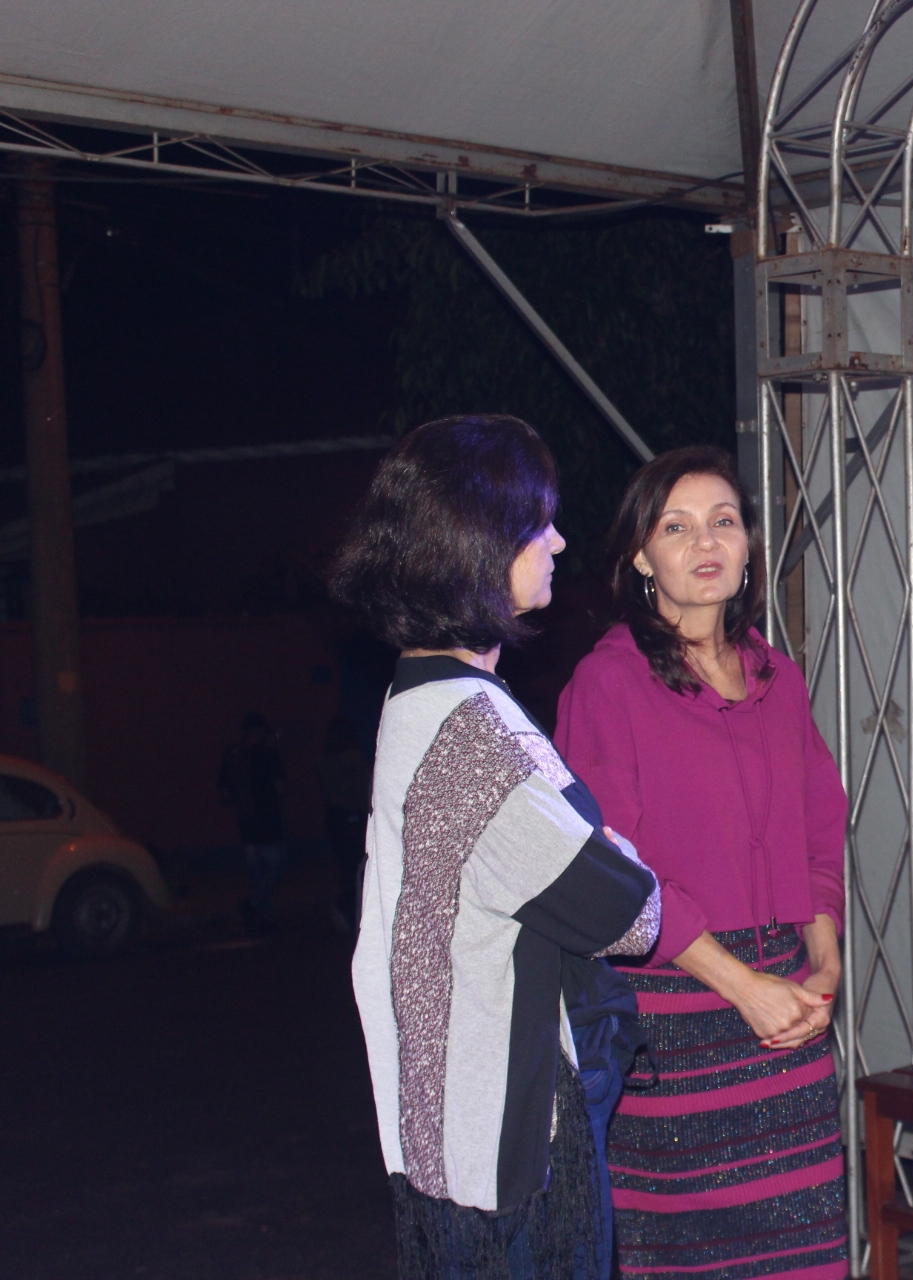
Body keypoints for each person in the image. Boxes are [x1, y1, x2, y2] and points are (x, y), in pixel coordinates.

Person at [331, 414, 662, 1280]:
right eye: (537, 523)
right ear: (477, 544)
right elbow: (627, 911)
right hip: (510, 1149)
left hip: (451, 1128)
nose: (557, 540)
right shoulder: (473, 735)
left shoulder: (419, 697)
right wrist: (614, 848)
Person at [553, 445, 849, 1280]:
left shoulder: (776, 676)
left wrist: (824, 959)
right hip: (675, 1017)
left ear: (750, 543)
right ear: (642, 557)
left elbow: (819, 828)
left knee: (804, 1256)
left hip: (788, 1012)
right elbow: (611, 872)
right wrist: (743, 987)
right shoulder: (607, 684)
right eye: (676, 527)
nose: (706, 541)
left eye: (723, 521)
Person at [218, 710, 285, 932]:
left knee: (257, 872)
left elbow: (224, 790)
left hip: (246, 821)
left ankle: (263, 914)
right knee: (275, 869)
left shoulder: (233, 754)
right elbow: (280, 787)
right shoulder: (268, 754)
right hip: (268, 820)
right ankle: (254, 904)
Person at [318, 715, 372, 933]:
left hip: (334, 817)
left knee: (345, 867)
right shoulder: (354, 759)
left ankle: (346, 910)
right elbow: (364, 790)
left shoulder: (324, 760)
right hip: (354, 817)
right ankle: (350, 911)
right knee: (356, 868)